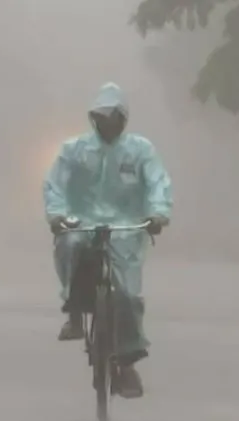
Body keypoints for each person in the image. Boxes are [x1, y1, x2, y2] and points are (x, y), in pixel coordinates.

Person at [42, 82, 173, 399]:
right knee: (69, 245)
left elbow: (158, 182)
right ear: (93, 119)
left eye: (115, 118)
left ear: (124, 120)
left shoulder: (140, 150)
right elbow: (55, 185)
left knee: (127, 294)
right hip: (82, 221)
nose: (108, 124)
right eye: (102, 118)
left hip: (126, 228)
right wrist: (58, 215)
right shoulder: (73, 149)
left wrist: (157, 214)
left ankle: (127, 364)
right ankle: (74, 312)